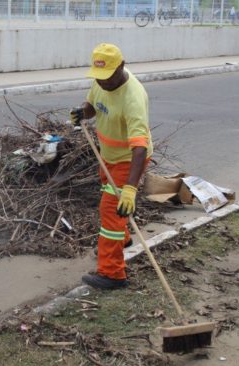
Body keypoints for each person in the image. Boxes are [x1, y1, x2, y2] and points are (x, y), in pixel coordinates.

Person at [69, 43, 153, 290]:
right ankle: (123, 239)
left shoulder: (133, 97)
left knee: (111, 211)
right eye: (99, 78)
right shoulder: (101, 79)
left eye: (107, 78)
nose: (102, 83)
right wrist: (82, 113)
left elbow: (140, 147)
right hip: (108, 157)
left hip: (129, 160)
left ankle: (112, 274)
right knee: (114, 211)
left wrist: (130, 188)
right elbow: (93, 104)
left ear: (122, 67)